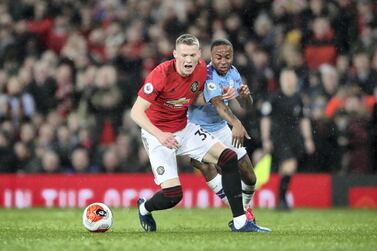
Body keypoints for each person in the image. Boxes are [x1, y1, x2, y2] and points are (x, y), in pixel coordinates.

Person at [130, 34, 270, 232]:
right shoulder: (161, 74)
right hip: (157, 134)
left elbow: (193, 99)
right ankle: (145, 208)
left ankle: (240, 222)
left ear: (199, 55)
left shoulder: (202, 70)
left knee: (228, 157)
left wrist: (220, 95)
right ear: (175, 54)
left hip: (183, 128)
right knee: (173, 196)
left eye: (192, 55)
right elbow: (136, 112)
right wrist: (160, 135)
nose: (188, 60)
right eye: (184, 55)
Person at [188, 39, 263, 224]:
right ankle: (242, 216)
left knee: (250, 177)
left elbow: (246, 105)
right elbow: (219, 105)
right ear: (211, 57)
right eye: (219, 57)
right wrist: (236, 124)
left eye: (227, 57)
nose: (223, 61)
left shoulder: (233, 73)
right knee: (206, 166)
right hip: (197, 130)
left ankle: (244, 210)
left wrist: (246, 97)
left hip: (220, 128)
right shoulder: (206, 74)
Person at [260, 68, 315, 210]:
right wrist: (266, 139)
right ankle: (282, 198)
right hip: (279, 137)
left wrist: (308, 139)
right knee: (290, 165)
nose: (289, 81)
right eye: (286, 78)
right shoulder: (274, 98)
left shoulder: (298, 98)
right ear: (281, 80)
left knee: (289, 167)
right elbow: (265, 119)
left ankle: (281, 198)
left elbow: (304, 119)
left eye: (291, 77)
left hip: (294, 138)